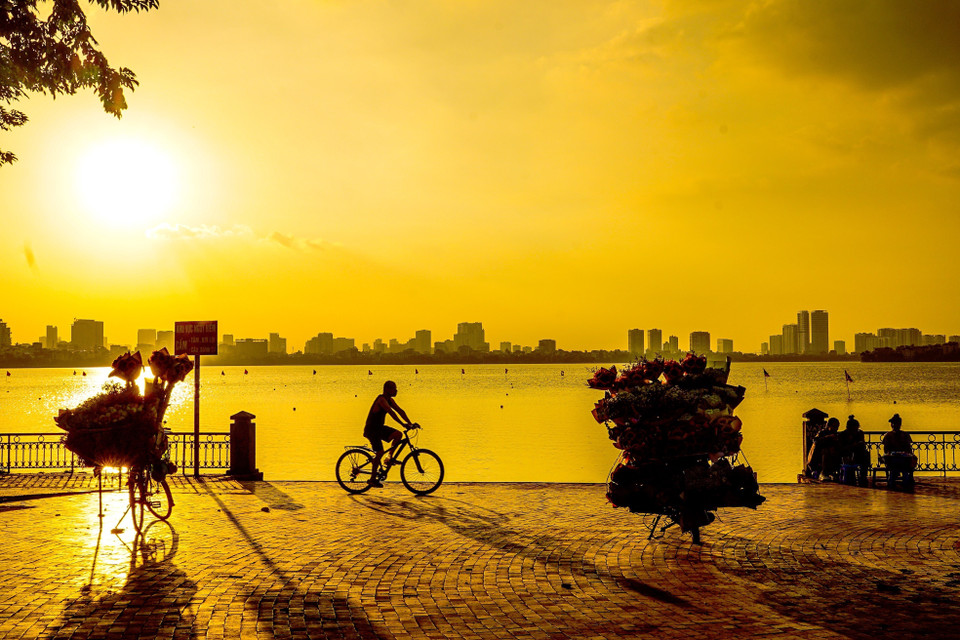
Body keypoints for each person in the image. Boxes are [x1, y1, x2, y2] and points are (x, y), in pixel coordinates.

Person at [363, 380, 414, 488]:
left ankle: (389, 458)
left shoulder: (389, 400)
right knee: (380, 452)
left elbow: (400, 411)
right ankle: (372, 479)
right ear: (387, 389)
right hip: (372, 430)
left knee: (398, 435)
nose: (396, 390)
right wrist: (403, 424)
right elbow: (391, 413)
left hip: (379, 428)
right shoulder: (381, 400)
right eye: (394, 388)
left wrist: (410, 423)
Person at [881, 413, 916, 487]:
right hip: (893, 458)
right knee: (895, 462)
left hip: (903, 457)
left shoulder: (904, 435)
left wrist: (906, 453)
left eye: (895, 423)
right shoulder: (888, 435)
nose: (894, 425)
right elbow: (886, 450)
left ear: (899, 424)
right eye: (893, 424)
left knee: (909, 460)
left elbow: (908, 448)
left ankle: (904, 478)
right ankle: (899, 478)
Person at [838, 415, 870, 486]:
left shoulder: (859, 433)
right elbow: (841, 448)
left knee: (865, 454)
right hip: (846, 455)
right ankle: (858, 477)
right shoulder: (842, 435)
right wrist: (852, 445)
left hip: (858, 455)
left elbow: (862, 444)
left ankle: (863, 476)